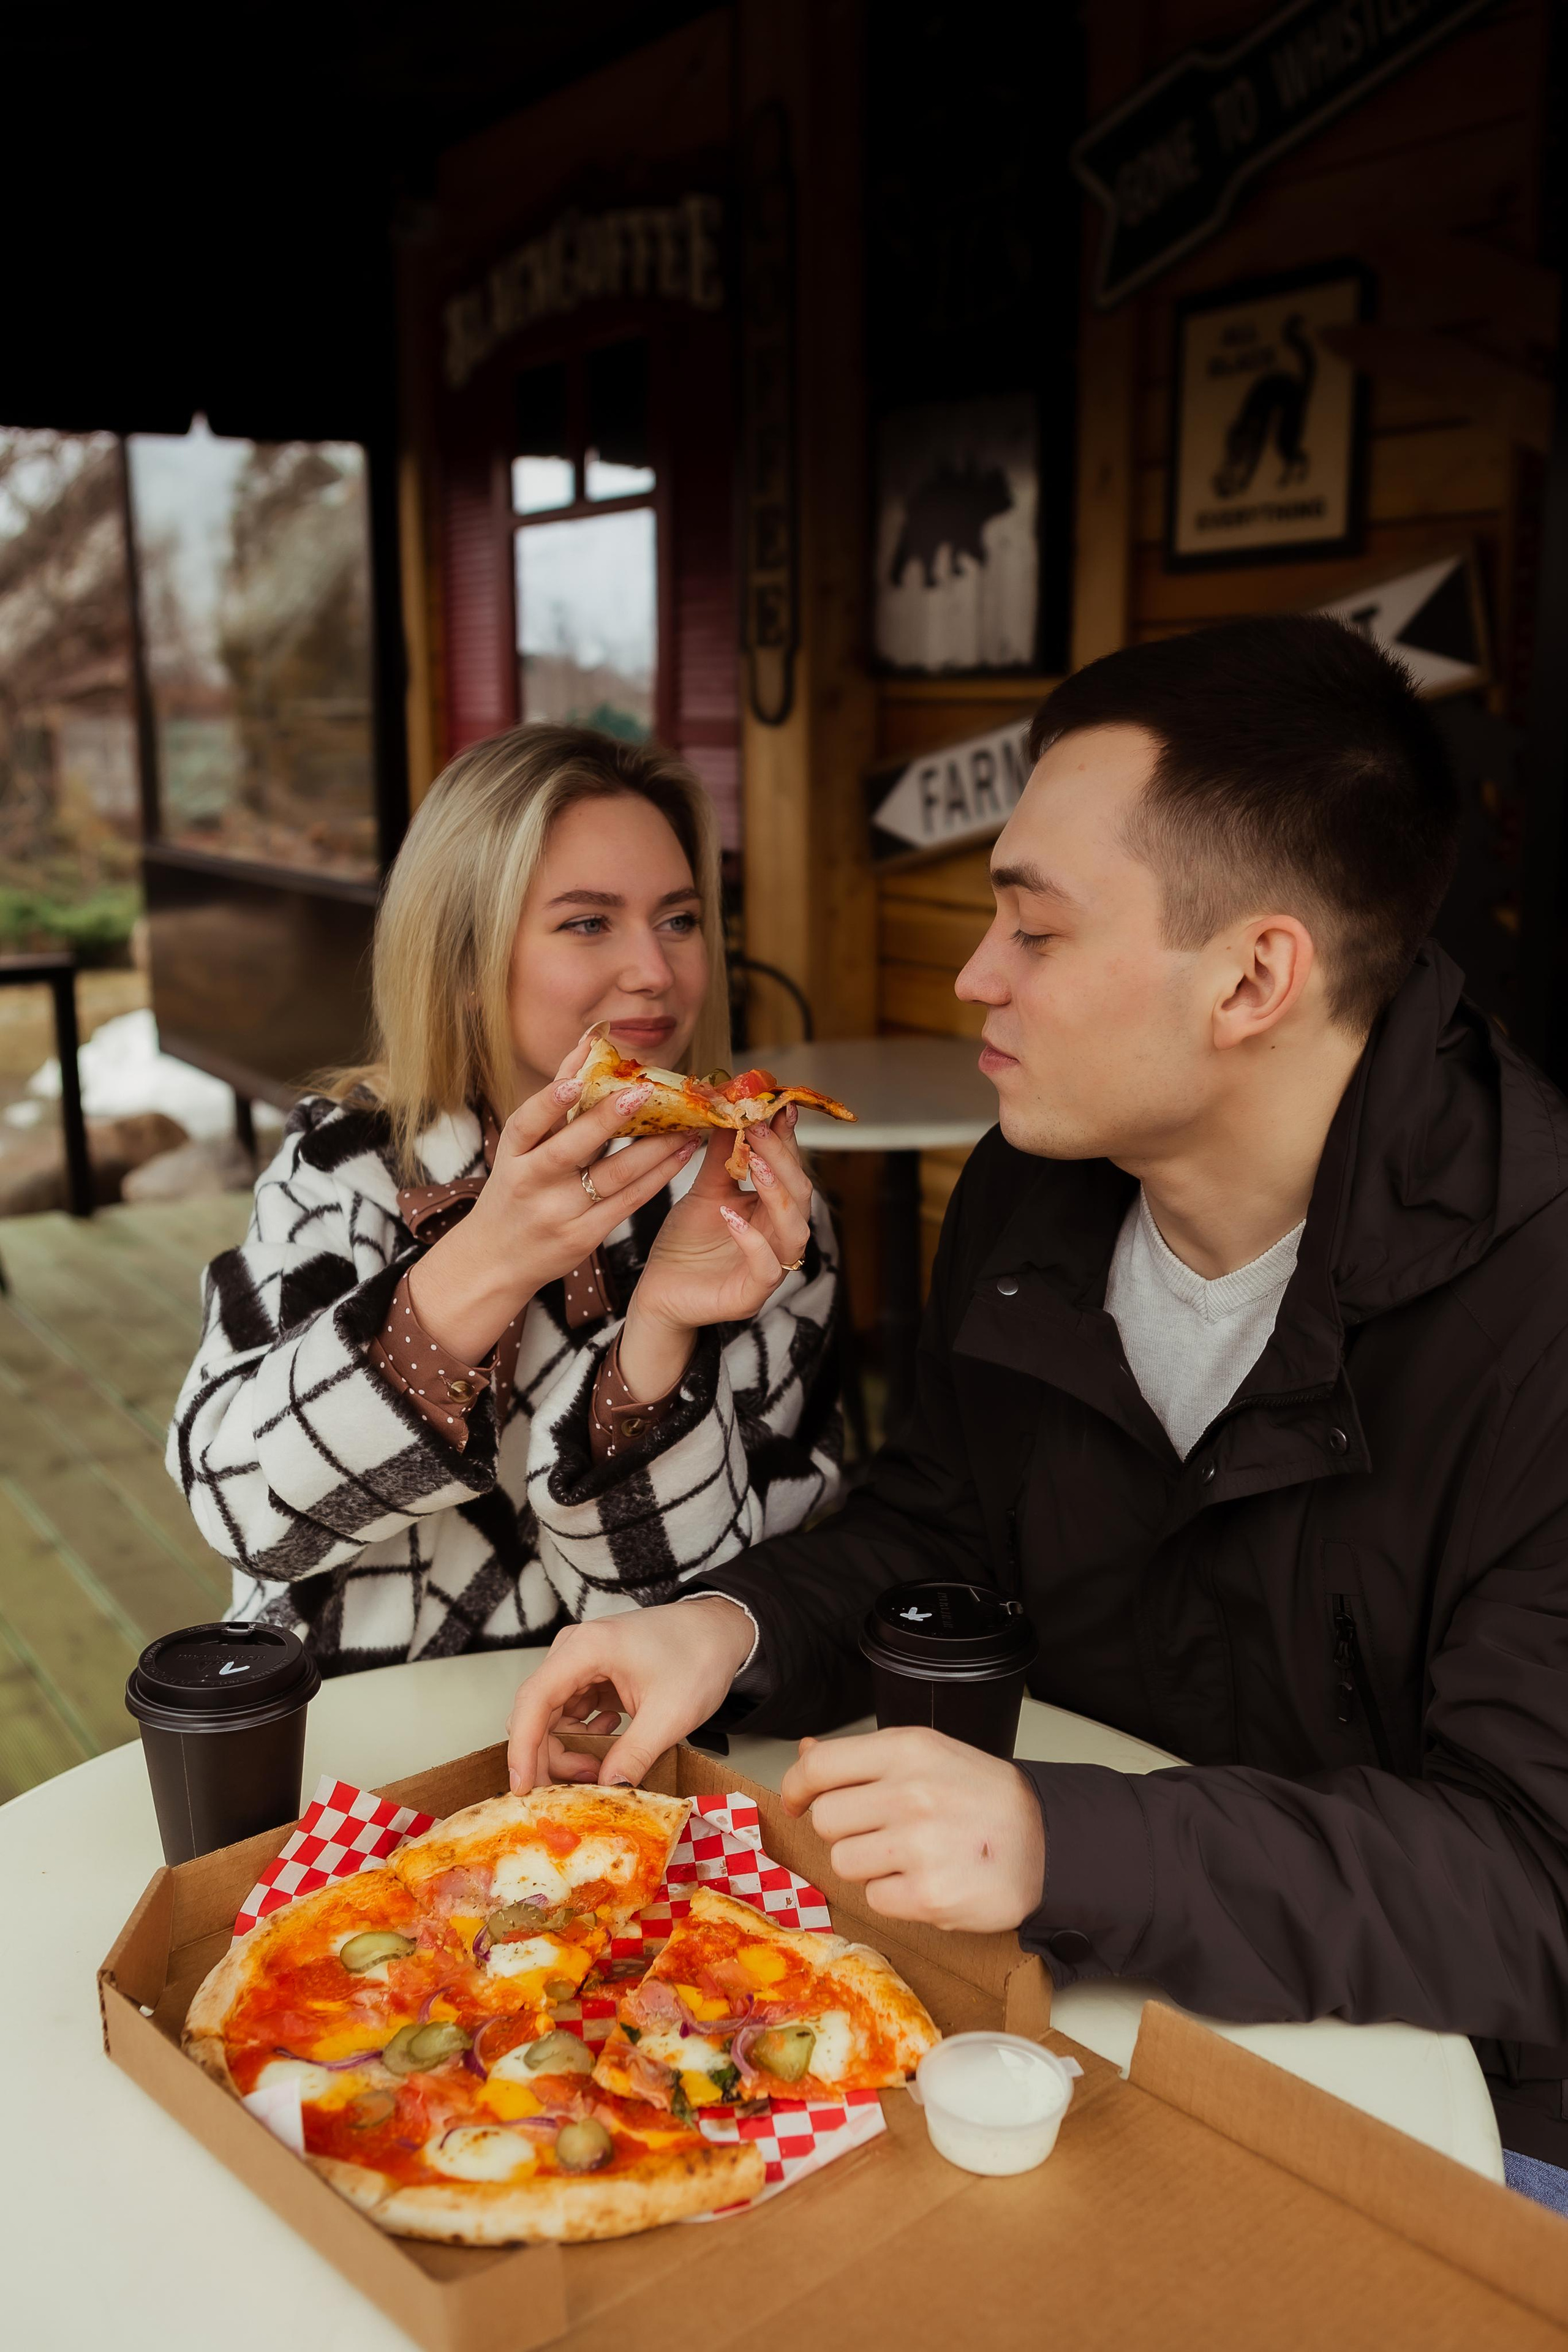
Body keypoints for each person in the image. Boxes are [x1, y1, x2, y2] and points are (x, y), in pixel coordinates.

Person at [505, 616, 1568, 2180]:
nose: (973, 976)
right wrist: (724, 1630)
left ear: (1252, 976)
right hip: (1051, 2013)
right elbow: (943, 1531)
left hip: (1464, 2111)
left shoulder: (1535, 1306)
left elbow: (1531, 1883)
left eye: (1035, 930)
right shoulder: (1034, 1187)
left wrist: (1061, 1843)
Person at [169, 723, 842, 1670]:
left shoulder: (759, 1205)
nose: (656, 972)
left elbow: (710, 1611)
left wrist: (658, 1334)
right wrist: (482, 1264)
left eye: (681, 919)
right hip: (357, 1732)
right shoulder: (347, 1167)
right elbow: (243, 1513)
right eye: (588, 923)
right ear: (464, 965)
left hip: (629, 1729)